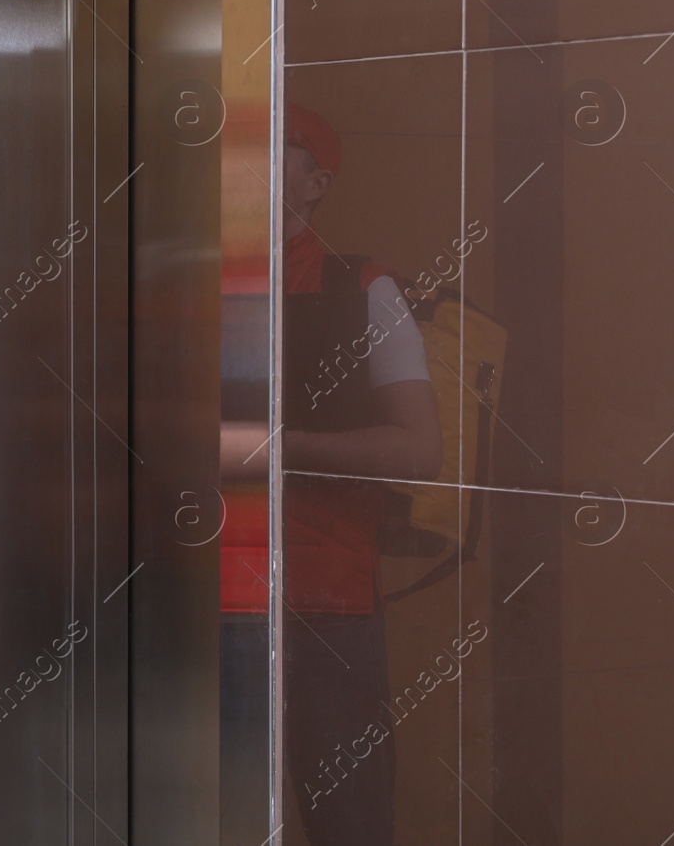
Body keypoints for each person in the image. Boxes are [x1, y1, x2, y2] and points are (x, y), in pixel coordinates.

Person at [218, 102, 443, 846]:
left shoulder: (365, 288)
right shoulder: (193, 281)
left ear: (317, 183)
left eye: (272, 153)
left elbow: (419, 451)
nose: (244, 168)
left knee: (348, 819)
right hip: (201, 590)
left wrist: (277, 449)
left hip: (327, 598)